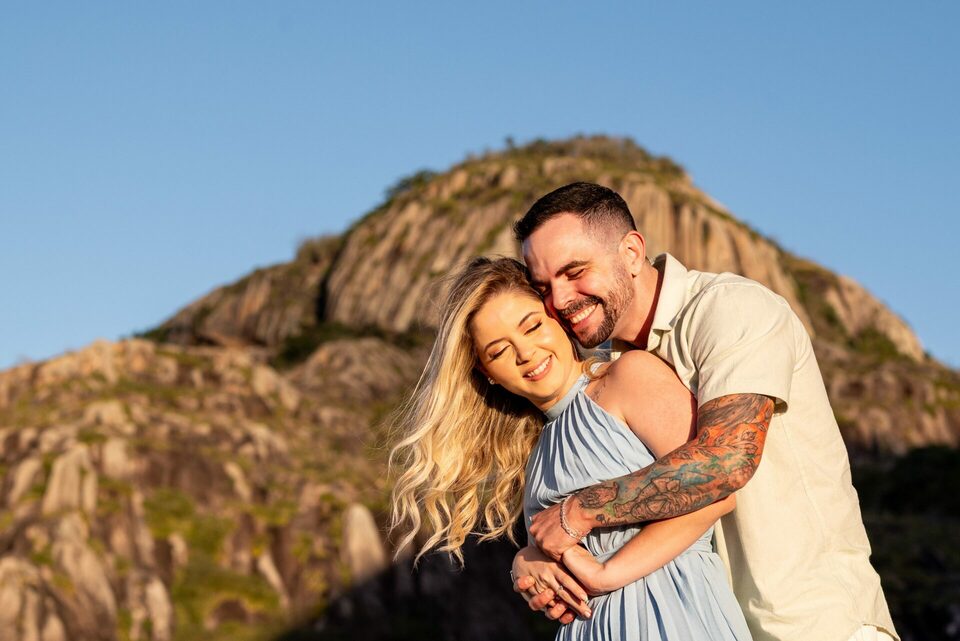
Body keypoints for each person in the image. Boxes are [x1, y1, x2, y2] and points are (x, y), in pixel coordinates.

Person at [510, 182, 898, 641]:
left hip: (814, 625)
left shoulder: (730, 308)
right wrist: (530, 557)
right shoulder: (610, 376)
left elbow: (727, 460)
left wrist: (578, 513)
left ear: (631, 253)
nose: (559, 300)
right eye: (544, 287)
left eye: (575, 272)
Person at [389, 256, 752, 640]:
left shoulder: (628, 377)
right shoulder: (535, 452)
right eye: (498, 351)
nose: (525, 353)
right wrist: (526, 562)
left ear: (558, 319)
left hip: (674, 616)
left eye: (532, 326)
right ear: (486, 373)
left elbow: (716, 493)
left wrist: (606, 574)